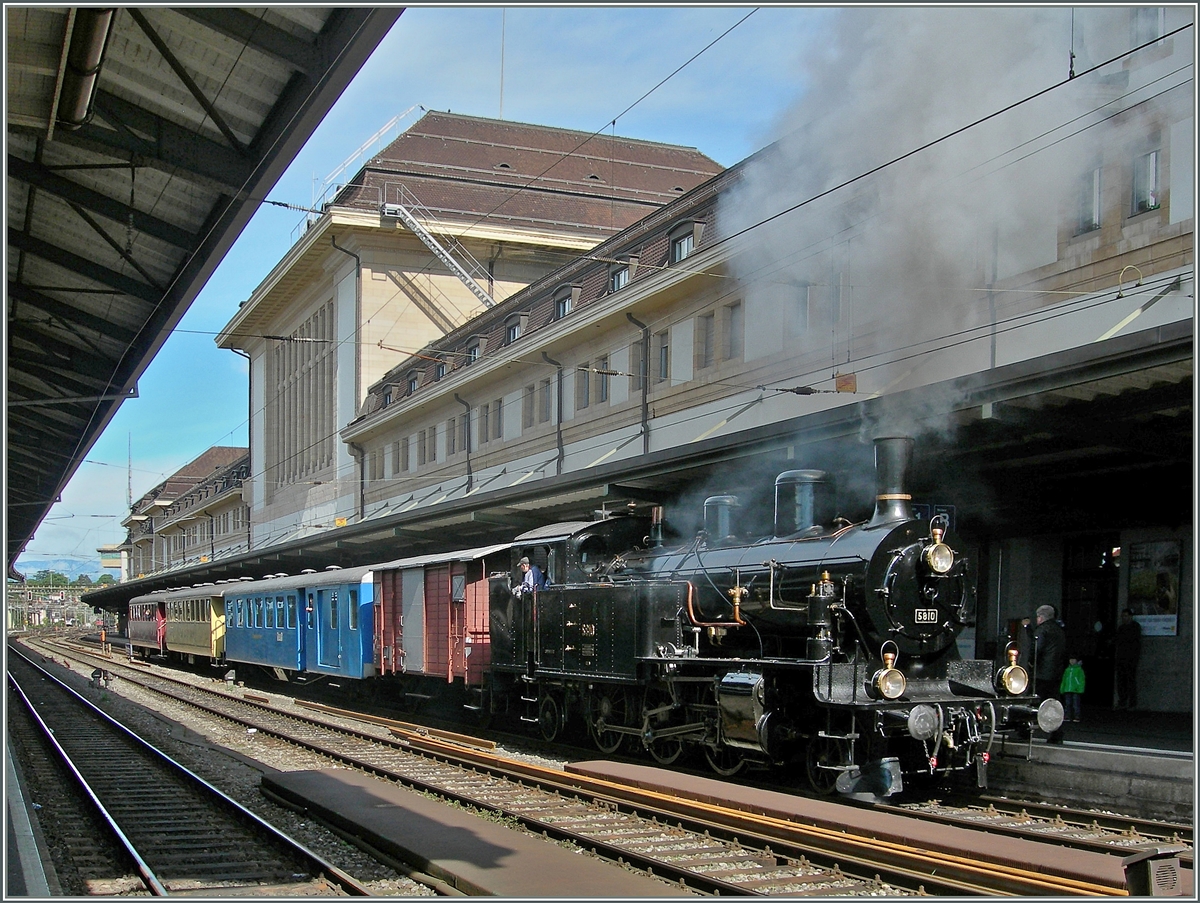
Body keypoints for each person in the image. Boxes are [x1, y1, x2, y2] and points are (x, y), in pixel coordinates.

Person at [1031, 603, 1066, 744]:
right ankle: (1057, 733)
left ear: (1041, 617)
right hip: (1056, 672)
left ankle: (1025, 731)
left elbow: (1036, 650)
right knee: (1054, 703)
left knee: (1033, 701)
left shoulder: (1042, 630)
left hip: (1042, 673)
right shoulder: (1060, 630)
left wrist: (1031, 663)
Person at [1114, 607, 1142, 710]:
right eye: (1123, 616)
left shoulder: (1135, 627)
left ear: (1130, 617)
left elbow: (1136, 644)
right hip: (1122, 658)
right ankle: (1123, 701)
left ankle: (1132, 703)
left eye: (1126, 616)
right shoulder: (1121, 628)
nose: (1124, 618)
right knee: (1121, 681)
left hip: (1130, 659)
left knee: (1130, 681)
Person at [1060, 657, 1085, 722]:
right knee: (1067, 704)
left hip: (1075, 690)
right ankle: (1067, 716)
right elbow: (1064, 679)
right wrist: (1062, 688)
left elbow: (1082, 680)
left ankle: (1077, 716)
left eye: (1074, 659)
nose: (1072, 661)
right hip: (1067, 689)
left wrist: (1080, 689)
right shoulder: (1067, 670)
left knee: (1075, 704)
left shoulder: (1079, 670)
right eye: (1071, 659)